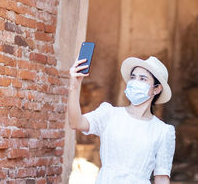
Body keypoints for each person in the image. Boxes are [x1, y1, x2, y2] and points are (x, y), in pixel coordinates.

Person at [68, 56, 176, 184]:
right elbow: (76, 122)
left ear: (157, 89)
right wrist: (74, 87)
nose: (135, 82)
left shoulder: (163, 131)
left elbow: (162, 178)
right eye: (133, 77)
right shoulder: (109, 114)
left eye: (142, 79)